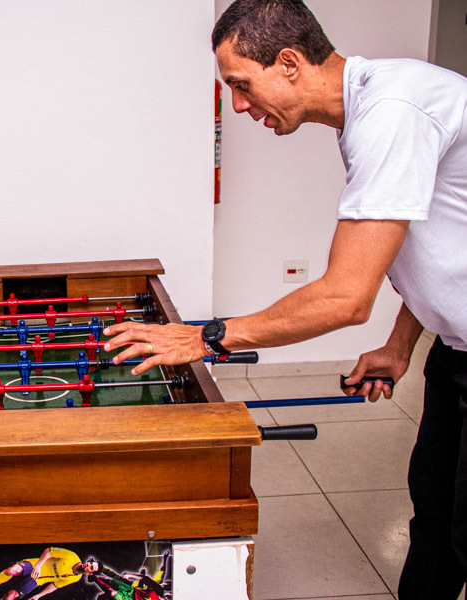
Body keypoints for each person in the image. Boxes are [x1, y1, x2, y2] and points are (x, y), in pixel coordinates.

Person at [105, 0, 467, 597]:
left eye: (241, 85)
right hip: (454, 351)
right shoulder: (369, 112)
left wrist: (205, 337)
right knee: (434, 515)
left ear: (290, 62)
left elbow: (346, 295)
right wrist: (401, 345)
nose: (240, 105)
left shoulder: (393, 113)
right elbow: (434, 241)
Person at [0, 546, 100, 599]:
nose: (88, 565)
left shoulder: (75, 578)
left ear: (89, 573)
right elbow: (48, 551)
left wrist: (39, 596)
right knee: (11, 570)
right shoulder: (71, 557)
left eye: (91, 567)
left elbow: (55, 586)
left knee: (10, 596)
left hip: (37, 581)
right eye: (90, 563)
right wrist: (39, 565)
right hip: (35, 566)